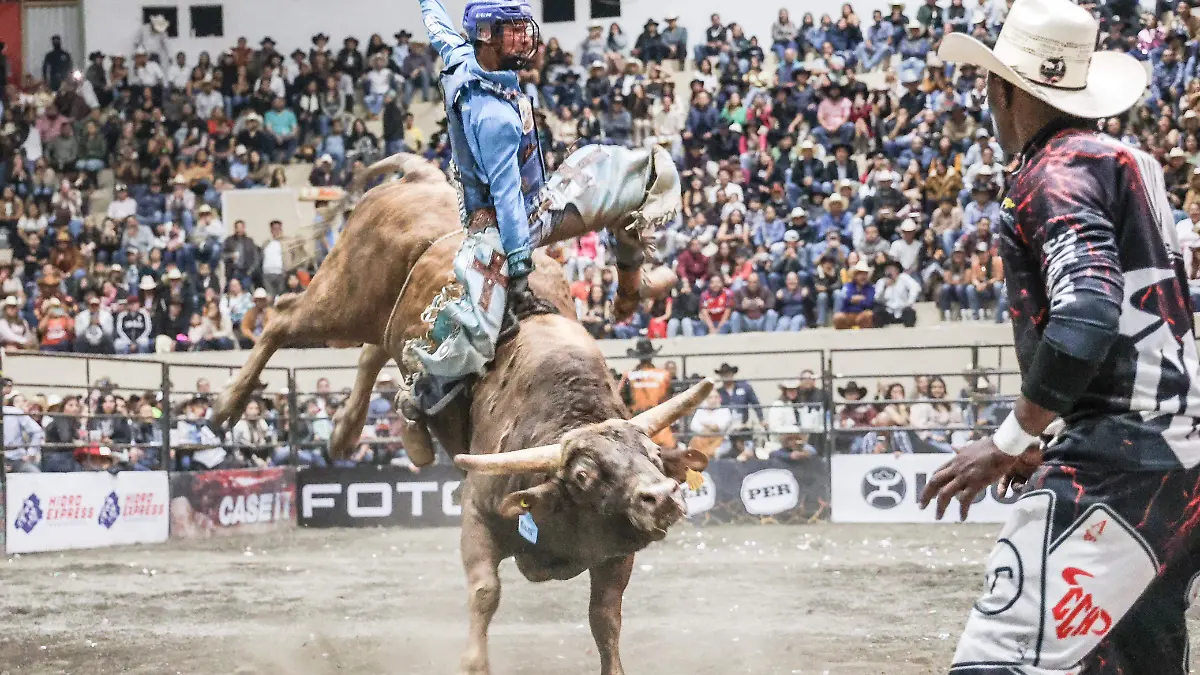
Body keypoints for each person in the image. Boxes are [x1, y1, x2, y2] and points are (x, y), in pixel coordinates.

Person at [922, 2, 1200, 673]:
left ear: (1004, 87)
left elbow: (1088, 314)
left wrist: (1009, 440)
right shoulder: (1133, 163)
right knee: (1130, 660)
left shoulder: (1054, 172)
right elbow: (1146, 320)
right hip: (1177, 456)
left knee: (998, 661)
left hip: (1120, 460)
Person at [410, 0, 675, 418]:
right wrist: (518, 273)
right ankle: (426, 396)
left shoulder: (460, 55)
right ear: (486, 37)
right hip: (510, 221)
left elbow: (437, 26)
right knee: (476, 328)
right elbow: (508, 198)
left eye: (523, 27)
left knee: (643, 171)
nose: (525, 37)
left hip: (538, 193)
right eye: (511, 30)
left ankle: (630, 288)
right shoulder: (494, 117)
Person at [618, 339, 675, 448]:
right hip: (660, 426)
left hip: (636, 425)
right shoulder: (664, 375)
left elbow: (619, 399)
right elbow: (669, 399)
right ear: (652, 355)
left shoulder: (628, 375)